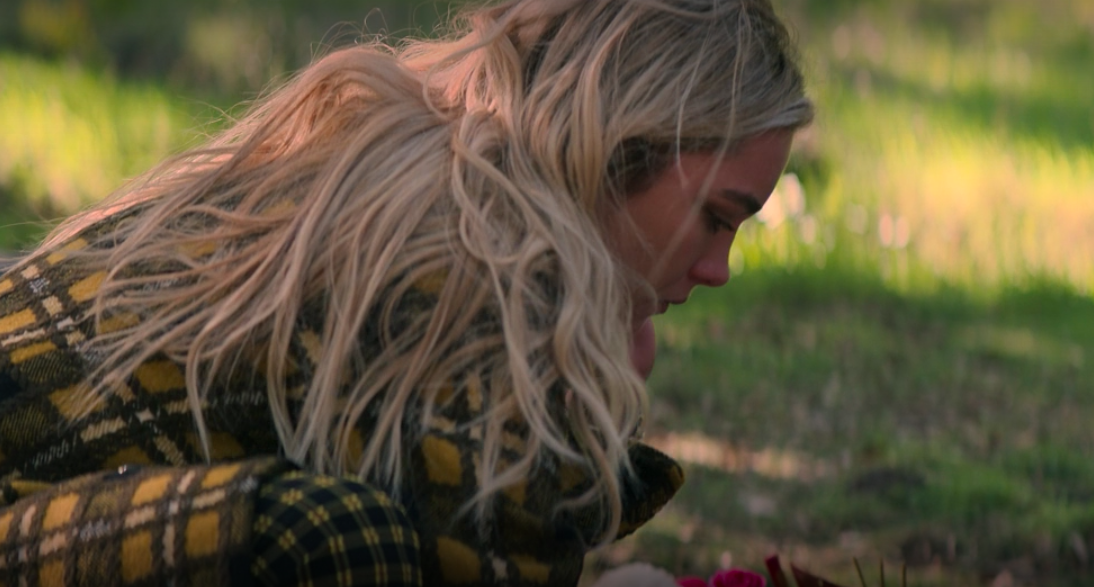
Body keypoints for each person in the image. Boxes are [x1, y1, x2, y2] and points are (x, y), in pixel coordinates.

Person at [0, 0, 812, 585]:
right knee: (339, 541)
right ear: (625, 141)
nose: (718, 269)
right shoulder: (477, 254)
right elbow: (482, 562)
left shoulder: (443, 171)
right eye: (715, 216)